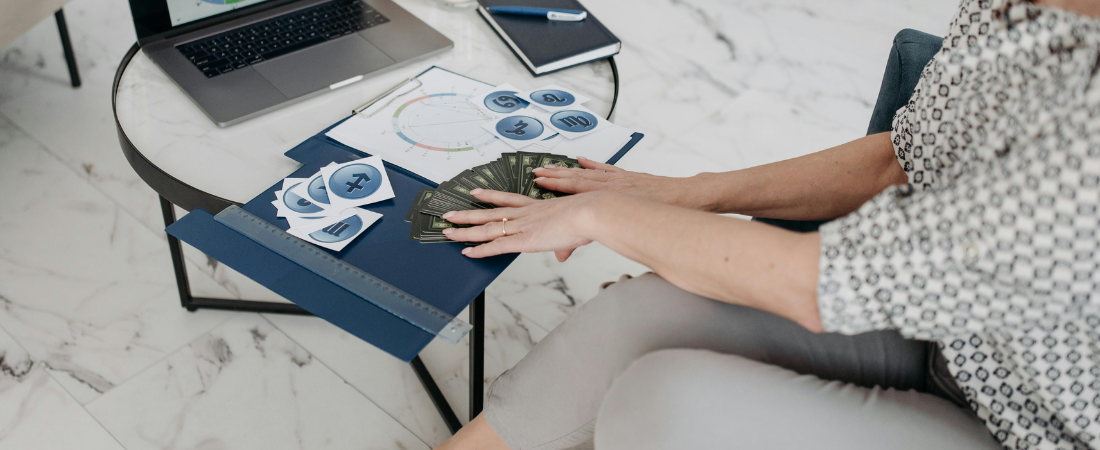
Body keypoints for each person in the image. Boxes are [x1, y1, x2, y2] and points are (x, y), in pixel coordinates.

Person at [435, 0, 1100, 449]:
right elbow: (904, 155)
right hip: (959, 337)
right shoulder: (1025, 15)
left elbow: (814, 284)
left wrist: (601, 212)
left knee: (663, 402)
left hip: (1032, 430)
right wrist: (684, 193)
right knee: (636, 315)